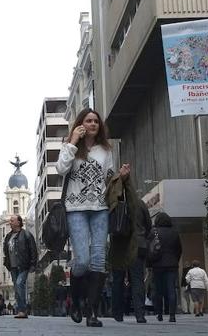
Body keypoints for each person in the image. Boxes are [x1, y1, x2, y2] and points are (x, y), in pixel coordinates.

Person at [56, 108, 130, 327]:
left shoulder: (105, 150)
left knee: (98, 260)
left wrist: (121, 177)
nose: (92, 124)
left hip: (100, 208)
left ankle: (92, 312)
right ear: (80, 124)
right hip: (76, 208)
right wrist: (72, 141)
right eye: (88, 120)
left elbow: (109, 179)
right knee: (82, 260)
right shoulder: (70, 147)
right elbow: (61, 169)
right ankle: (76, 301)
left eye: (96, 121)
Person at [112, 200, 151, 323]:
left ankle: (118, 314)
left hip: (119, 246)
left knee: (118, 280)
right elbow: (148, 224)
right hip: (137, 244)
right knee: (137, 279)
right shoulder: (139, 203)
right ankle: (140, 314)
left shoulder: (113, 204)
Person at [148, 212, 182, 322]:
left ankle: (159, 314)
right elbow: (179, 249)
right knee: (171, 289)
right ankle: (172, 315)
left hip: (157, 265)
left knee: (158, 290)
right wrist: (175, 260)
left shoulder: (154, 232)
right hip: (172, 265)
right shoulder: (175, 232)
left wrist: (149, 262)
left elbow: (149, 248)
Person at [2, 214, 37, 319]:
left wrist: (33, 264)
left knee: (19, 284)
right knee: (17, 288)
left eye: (12, 220)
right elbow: (6, 250)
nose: (10, 222)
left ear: (18, 222)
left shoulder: (26, 234)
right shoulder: (8, 236)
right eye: (10, 220)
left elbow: (33, 250)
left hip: (23, 266)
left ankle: (22, 310)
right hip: (12, 267)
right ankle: (21, 310)